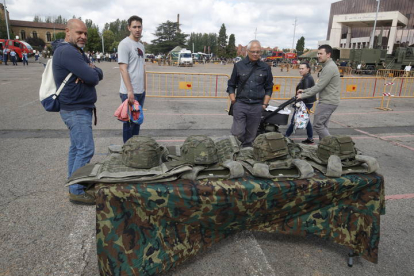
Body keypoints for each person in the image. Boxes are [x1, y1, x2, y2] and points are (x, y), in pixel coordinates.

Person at [52, 18, 103, 205]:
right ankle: (76, 190)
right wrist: (89, 72)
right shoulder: (67, 51)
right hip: (76, 109)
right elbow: (93, 76)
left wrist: (92, 71)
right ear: (67, 31)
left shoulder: (76, 51)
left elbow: (98, 73)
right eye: (79, 32)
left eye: (85, 33)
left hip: (77, 108)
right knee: (85, 148)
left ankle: (74, 181)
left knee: (76, 148)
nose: (83, 36)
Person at [227, 40, 273, 147]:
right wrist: (233, 99)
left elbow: (269, 88)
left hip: (257, 106)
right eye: (253, 51)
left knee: (251, 136)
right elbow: (231, 84)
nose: (255, 54)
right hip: (241, 104)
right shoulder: (239, 66)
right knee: (237, 132)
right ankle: (236, 149)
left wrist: (264, 104)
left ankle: (245, 155)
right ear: (247, 51)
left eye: (258, 52)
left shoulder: (265, 67)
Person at [297, 44, 340, 141]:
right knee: (323, 126)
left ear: (328, 54)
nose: (318, 55)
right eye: (318, 53)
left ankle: (332, 145)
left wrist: (303, 95)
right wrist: (305, 90)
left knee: (317, 125)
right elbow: (319, 85)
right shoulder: (328, 66)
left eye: (321, 53)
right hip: (329, 101)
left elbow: (319, 87)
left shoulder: (329, 68)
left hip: (327, 102)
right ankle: (324, 149)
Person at [118, 15, 146, 143]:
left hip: (140, 91)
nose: (137, 29)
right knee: (129, 124)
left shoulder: (141, 45)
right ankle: (127, 150)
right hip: (129, 92)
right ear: (129, 28)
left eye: (139, 26)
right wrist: (130, 91)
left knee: (137, 122)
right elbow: (123, 69)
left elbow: (142, 67)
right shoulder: (124, 44)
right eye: (134, 27)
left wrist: (144, 88)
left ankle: (135, 150)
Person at [285, 63, 316, 144]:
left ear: (308, 69)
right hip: (306, 102)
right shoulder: (306, 77)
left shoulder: (307, 79)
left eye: (302, 68)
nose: (300, 70)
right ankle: (310, 138)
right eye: (299, 68)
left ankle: (286, 136)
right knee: (306, 120)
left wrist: (298, 102)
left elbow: (306, 92)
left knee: (294, 120)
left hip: (305, 103)